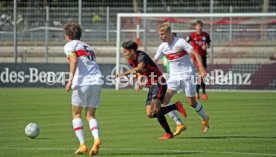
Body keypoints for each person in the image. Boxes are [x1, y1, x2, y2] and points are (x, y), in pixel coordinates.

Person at [114, 41, 187, 140]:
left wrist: (124, 73)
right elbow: (138, 71)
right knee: (150, 114)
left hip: (159, 82)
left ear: (131, 51)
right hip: (151, 86)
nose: (124, 53)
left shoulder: (141, 56)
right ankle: (175, 106)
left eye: (125, 51)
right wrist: (139, 78)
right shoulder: (131, 60)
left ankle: (169, 134)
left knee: (156, 109)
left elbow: (140, 67)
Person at [154, 22, 210, 134]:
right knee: (164, 100)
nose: (161, 36)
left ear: (169, 33)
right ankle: (179, 124)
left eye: (163, 34)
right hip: (174, 78)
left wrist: (202, 70)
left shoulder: (180, 42)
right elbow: (154, 61)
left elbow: (196, 54)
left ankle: (205, 118)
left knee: (192, 103)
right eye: (159, 34)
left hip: (188, 76)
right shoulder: (163, 47)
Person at [63, 22, 102, 156]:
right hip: (97, 81)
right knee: (90, 115)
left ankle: (82, 145)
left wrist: (70, 80)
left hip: (83, 82)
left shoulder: (70, 45)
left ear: (67, 35)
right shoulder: (88, 46)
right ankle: (96, 139)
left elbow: (73, 61)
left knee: (76, 113)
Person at [186, 20, 211, 100]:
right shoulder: (191, 36)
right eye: (197, 26)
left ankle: (198, 92)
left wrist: (206, 46)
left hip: (203, 56)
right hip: (195, 57)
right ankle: (202, 92)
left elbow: (209, 44)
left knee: (202, 75)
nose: (199, 28)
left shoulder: (206, 35)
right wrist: (189, 50)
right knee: (201, 73)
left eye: (200, 26)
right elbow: (185, 43)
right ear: (195, 27)